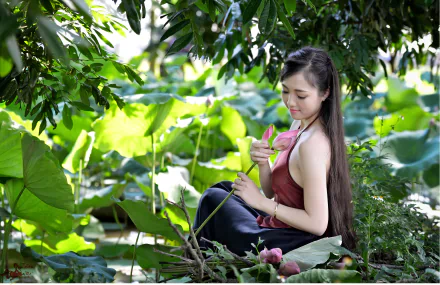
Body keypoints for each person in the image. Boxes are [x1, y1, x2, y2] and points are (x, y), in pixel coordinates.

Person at [192, 47, 357, 257]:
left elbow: (317, 224)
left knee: (212, 199)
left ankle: (199, 263)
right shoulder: (300, 123)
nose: (290, 102)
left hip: (296, 243)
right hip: (281, 226)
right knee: (224, 189)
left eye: (301, 95)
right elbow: (272, 192)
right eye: (286, 91)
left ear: (325, 92)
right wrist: (263, 163)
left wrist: (260, 202)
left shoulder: (313, 144)